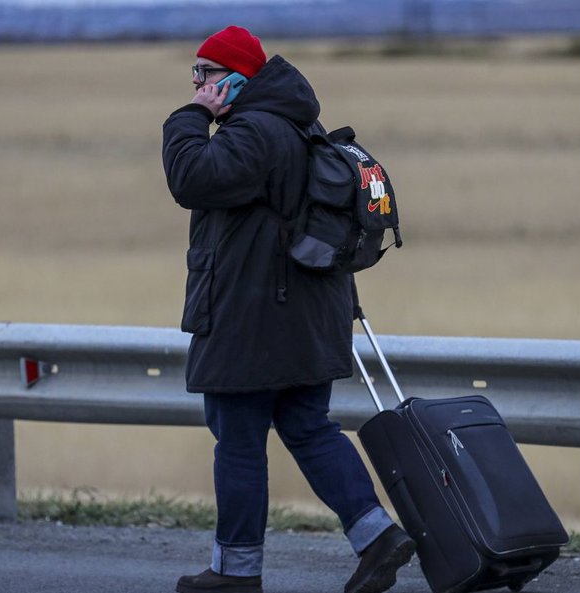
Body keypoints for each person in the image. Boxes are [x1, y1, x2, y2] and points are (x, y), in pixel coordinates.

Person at [161, 25, 415, 593]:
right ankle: (378, 538)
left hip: (254, 319)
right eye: (194, 76)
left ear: (235, 79)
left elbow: (192, 178)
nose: (197, 84)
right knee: (308, 427)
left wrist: (186, 117)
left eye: (204, 73)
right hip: (310, 314)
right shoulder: (300, 125)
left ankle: (235, 574)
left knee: (240, 441)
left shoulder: (256, 129)